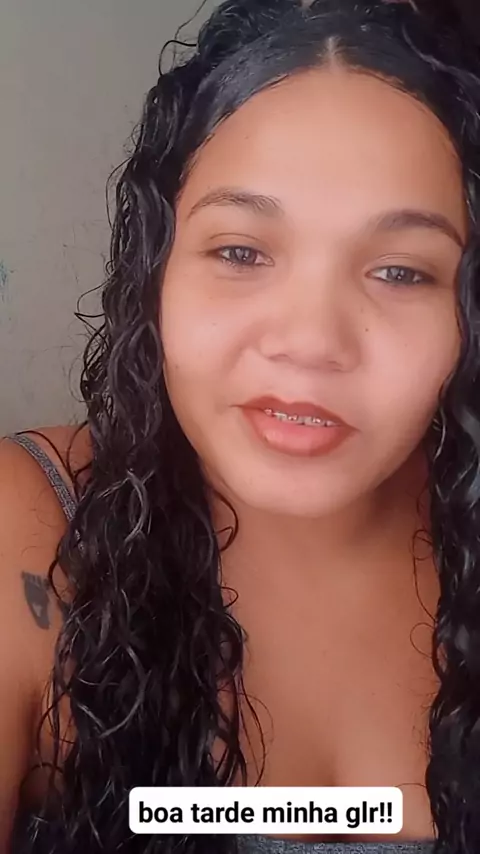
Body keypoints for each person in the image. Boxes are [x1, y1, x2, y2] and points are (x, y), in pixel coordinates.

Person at [1, 0, 480, 851]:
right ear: (156, 267)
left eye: (401, 272)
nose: (311, 341)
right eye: (241, 252)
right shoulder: (30, 530)